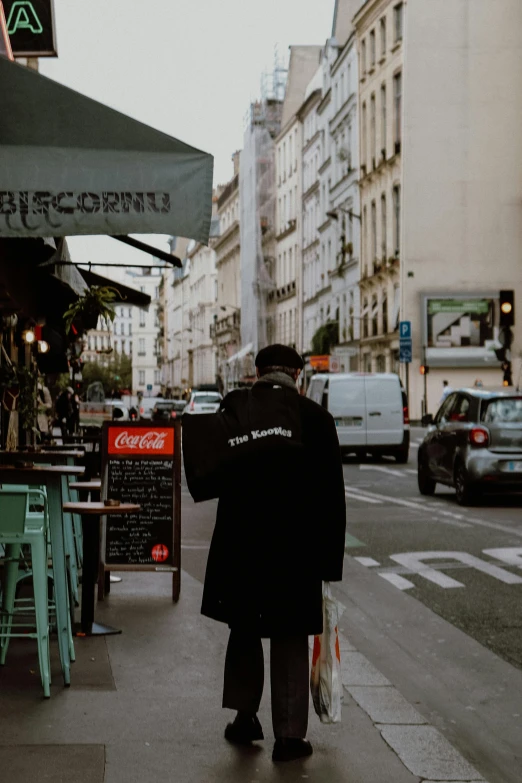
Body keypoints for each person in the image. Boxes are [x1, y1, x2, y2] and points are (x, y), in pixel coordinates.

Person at [196, 344, 346, 763]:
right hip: (295, 550)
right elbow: (333, 498)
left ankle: (245, 719)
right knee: (290, 636)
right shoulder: (315, 419)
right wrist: (329, 563)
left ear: (257, 372)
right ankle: (289, 737)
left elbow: (212, 468)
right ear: (297, 376)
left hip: (241, 545)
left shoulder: (235, 407)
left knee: (244, 628)